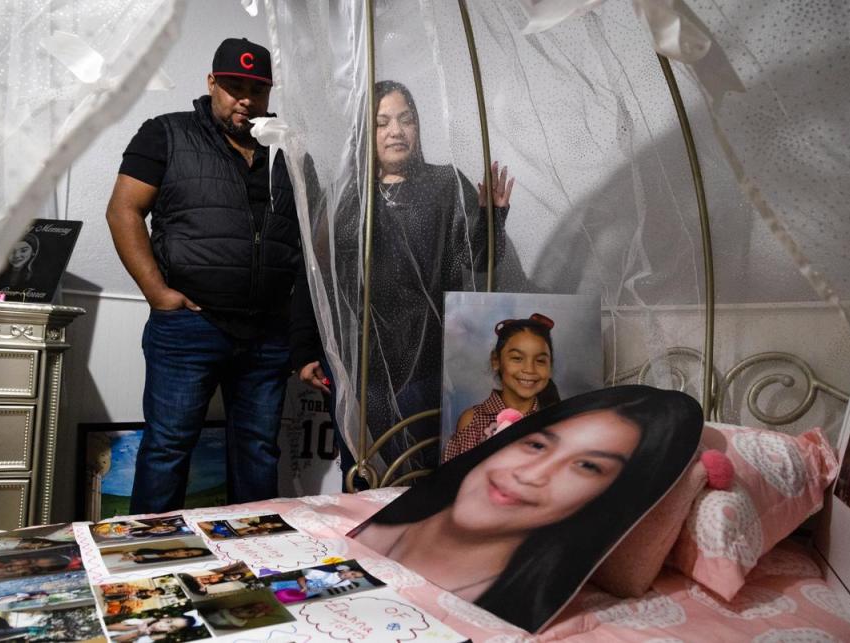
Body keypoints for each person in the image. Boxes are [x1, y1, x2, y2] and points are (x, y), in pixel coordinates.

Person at [106, 37, 301, 513]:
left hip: (267, 333)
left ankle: (255, 557)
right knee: (168, 449)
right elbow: (123, 212)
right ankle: (146, 562)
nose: (246, 100)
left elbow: (306, 240)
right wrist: (158, 293)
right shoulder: (165, 133)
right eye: (234, 87)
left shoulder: (288, 151)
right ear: (212, 83)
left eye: (257, 90)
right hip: (189, 327)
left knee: (258, 453)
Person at [292, 80, 516, 481]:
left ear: (417, 128)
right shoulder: (347, 196)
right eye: (382, 123)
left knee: (425, 474)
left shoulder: (445, 184)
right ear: (367, 133)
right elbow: (317, 275)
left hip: (427, 362)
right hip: (361, 367)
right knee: (363, 473)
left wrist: (493, 219)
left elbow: (474, 262)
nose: (396, 130)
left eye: (405, 120)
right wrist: (306, 348)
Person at [351, 385, 702, 632]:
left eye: (588, 467)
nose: (532, 474)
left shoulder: (518, 604)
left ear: (607, 496)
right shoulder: (368, 538)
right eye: (535, 444)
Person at [443, 313, 561, 462]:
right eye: (517, 358)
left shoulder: (559, 420)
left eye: (540, 361)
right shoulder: (473, 421)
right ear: (496, 361)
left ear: (550, 366)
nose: (529, 369)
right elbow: (457, 478)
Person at [118, 546, 211, 564]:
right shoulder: (145, 550)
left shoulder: (158, 564)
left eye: (187, 554)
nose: (180, 552)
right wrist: (129, 554)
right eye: (186, 550)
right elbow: (120, 552)